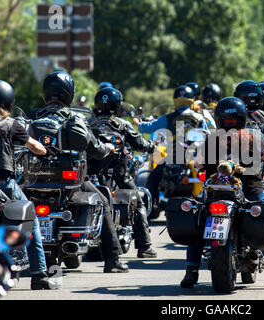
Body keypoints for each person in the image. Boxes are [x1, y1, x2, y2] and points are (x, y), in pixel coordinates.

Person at [180, 97, 264, 289]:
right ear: (243, 117)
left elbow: (198, 164)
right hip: (251, 191)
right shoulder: (252, 137)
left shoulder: (211, 139)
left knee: (198, 224)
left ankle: (191, 271)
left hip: (214, 192)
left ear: (218, 118)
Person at [30, 71, 128, 273]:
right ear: (69, 93)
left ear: (46, 93)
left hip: (32, 181)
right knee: (103, 201)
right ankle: (113, 260)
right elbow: (96, 149)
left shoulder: (32, 116)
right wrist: (108, 149)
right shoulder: (74, 118)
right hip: (69, 182)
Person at [0, 80, 62, 289]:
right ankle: (39, 275)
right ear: (7, 100)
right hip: (4, 185)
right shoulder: (11, 124)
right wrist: (46, 151)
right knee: (31, 219)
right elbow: (34, 146)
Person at [90, 86, 158, 258]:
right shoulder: (122, 125)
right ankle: (145, 247)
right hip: (119, 174)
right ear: (117, 105)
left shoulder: (88, 123)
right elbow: (140, 144)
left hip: (92, 175)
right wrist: (152, 146)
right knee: (139, 203)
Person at [134, 85, 209, 208]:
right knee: (208, 176)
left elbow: (146, 128)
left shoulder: (167, 118)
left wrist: (137, 122)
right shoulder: (200, 118)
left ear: (176, 101)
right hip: (195, 159)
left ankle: (149, 207)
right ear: (192, 101)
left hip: (172, 158)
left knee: (153, 178)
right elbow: (208, 137)